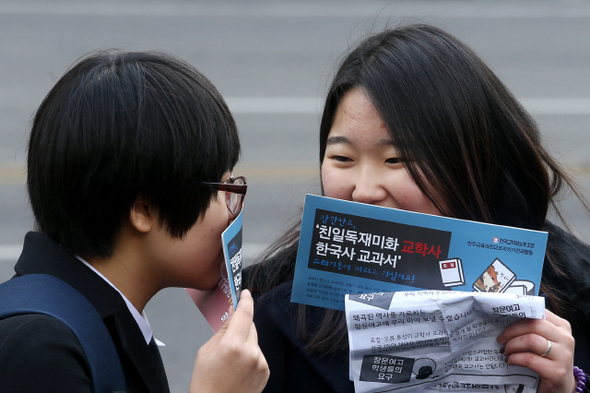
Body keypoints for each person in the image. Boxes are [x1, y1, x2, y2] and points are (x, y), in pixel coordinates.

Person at [244, 24, 590, 393]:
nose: (363, 191)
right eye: (342, 157)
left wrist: (564, 387)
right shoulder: (272, 318)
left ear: (468, 163)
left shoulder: (568, 306)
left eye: (396, 159)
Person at [0, 50, 269, 392]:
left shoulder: (92, 319)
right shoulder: (38, 349)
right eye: (223, 188)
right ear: (144, 209)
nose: (233, 211)